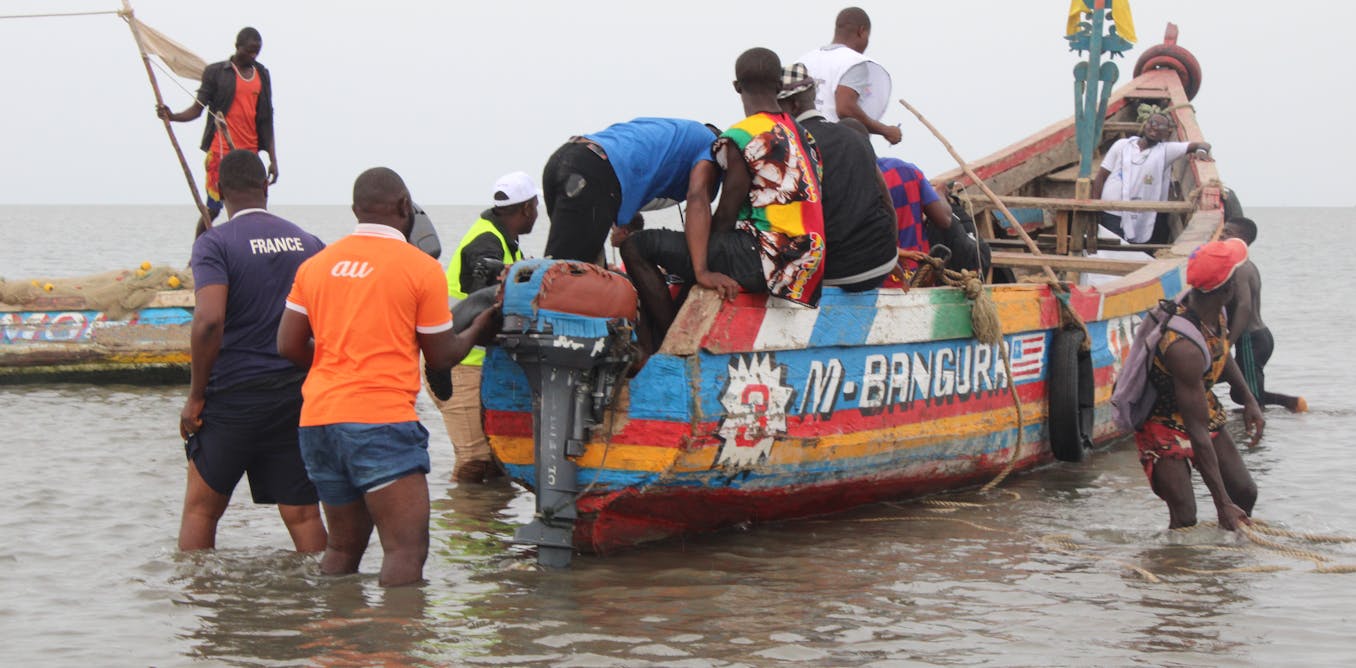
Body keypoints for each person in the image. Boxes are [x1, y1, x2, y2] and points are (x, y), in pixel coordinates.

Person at [277, 167, 496, 587]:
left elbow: (288, 345)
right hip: (379, 422)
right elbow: (442, 354)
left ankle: (336, 644)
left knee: (342, 549)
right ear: (403, 206)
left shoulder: (316, 265)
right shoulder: (419, 268)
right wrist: (479, 327)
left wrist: (339, 362)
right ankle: (398, 647)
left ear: (356, 210)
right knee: (405, 551)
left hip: (319, 421)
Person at [620, 48, 826, 352]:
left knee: (635, 246)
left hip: (769, 257)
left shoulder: (743, 134)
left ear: (737, 86)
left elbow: (725, 212)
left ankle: (668, 344)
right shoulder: (802, 135)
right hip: (810, 257)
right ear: (779, 86)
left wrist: (702, 269)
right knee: (699, 253)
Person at [177, 149, 326, 553]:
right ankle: (327, 600)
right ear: (265, 186)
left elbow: (209, 320)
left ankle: (197, 604)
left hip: (233, 397)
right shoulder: (309, 242)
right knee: (305, 513)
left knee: (201, 511)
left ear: (219, 190)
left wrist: (195, 397)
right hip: (295, 394)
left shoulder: (215, 243)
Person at [1137, 238, 1265, 531]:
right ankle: (1178, 570)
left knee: (1245, 492)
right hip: (1162, 423)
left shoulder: (1213, 311)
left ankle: (1227, 563)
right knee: (1185, 515)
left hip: (1202, 408)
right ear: (1227, 289)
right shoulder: (1182, 349)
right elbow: (1197, 431)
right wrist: (1222, 505)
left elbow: (1220, 351)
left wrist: (1249, 399)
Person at [427, 171, 537, 484]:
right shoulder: (486, 244)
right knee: (474, 463)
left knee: (497, 464)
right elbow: (484, 302)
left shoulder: (504, 241)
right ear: (528, 208)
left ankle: (487, 530)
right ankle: (460, 530)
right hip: (458, 366)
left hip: (477, 367)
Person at [777, 63, 896, 291]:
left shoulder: (792, 147)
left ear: (792, 105)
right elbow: (886, 204)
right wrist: (890, 253)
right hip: (883, 260)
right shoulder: (855, 135)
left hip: (837, 272)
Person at [541, 118, 721, 264]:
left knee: (581, 268)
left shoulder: (675, 131)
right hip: (591, 172)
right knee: (568, 276)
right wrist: (702, 269)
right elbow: (698, 199)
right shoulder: (711, 146)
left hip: (566, 158)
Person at [159, 27, 277, 238]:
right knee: (213, 209)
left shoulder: (262, 74)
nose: (253, 56)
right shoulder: (216, 73)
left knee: (253, 210)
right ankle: (197, 257)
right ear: (237, 47)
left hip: (249, 154)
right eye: (249, 51)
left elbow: (267, 119)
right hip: (221, 150)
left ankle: (248, 255)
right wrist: (172, 116)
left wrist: (273, 159)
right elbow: (197, 109)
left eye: (257, 52)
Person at [1221, 217, 1307, 413]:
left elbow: (1244, 306)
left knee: (1251, 397)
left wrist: (1229, 341)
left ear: (1242, 239)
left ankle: (1257, 434)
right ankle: (1292, 403)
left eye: (1228, 232)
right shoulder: (1245, 265)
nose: (1222, 235)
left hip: (1251, 339)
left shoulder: (1241, 267)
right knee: (1238, 393)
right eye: (1223, 231)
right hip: (1257, 337)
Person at [1091, 111, 1211, 244]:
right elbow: (1101, 177)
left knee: (1133, 251)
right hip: (1111, 212)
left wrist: (1201, 151)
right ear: (1145, 125)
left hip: (1139, 216)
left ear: (1167, 133)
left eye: (1161, 127)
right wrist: (1095, 208)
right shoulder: (1122, 145)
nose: (1155, 128)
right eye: (1152, 123)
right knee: (1109, 251)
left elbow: (1202, 145)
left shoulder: (1165, 151)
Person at [797, 7, 899, 145]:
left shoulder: (804, 60)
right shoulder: (853, 62)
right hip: (831, 146)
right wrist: (886, 130)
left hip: (799, 143)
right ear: (861, 31)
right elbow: (845, 109)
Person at [875, 156, 953, 287]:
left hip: (872, 284)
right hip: (917, 276)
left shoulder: (845, 179)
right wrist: (939, 192)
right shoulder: (906, 170)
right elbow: (944, 219)